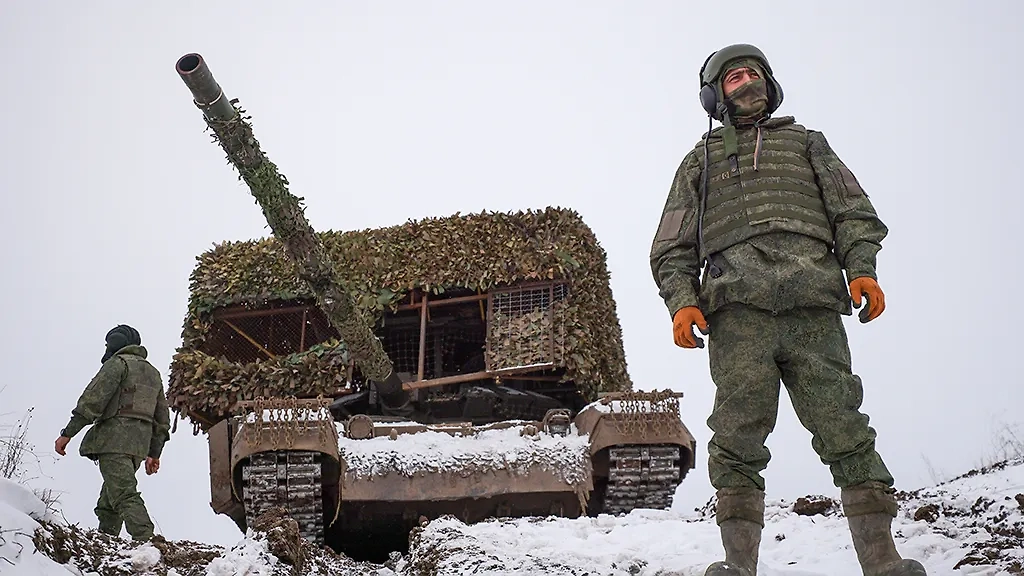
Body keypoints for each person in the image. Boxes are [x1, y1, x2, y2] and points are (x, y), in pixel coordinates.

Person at [649, 44, 926, 576]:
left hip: (812, 305)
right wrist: (682, 303)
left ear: (770, 83)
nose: (745, 81)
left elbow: (852, 212)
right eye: (733, 77)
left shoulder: (807, 143)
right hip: (737, 313)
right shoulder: (699, 161)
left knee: (844, 424)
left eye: (753, 72)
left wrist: (862, 267)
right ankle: (737, 565)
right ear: (714, 96)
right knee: (736, 434)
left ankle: (883, 561)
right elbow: (672, 246)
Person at [54, 324, 171, 541]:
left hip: (114, 441)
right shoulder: (153, 373)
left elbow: (92, 401)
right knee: (109, 499)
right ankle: (107, 541)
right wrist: (154, 453)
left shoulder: (117, 365)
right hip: (138, 447)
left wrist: (67, 433)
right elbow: (162, 419)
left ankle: (147, 539)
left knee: (123, 493)